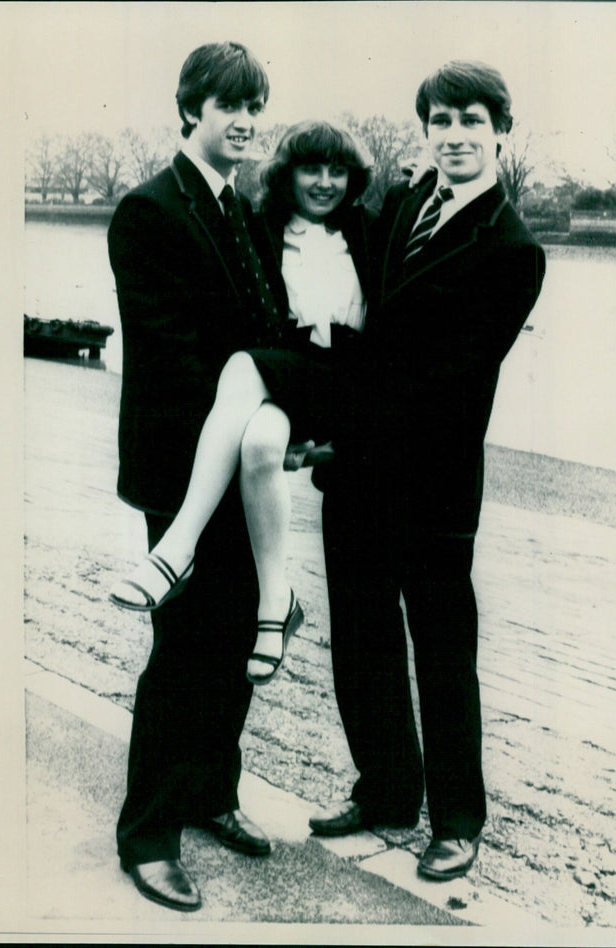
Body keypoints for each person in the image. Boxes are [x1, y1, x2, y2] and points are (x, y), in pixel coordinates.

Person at [310, 61, 547, 882]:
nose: (453, 136)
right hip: (359, 476)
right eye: (439, 121)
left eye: (470, 122)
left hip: (432, 484)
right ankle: (385, 793)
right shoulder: (412, 201)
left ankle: (456, 820)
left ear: (499, 133)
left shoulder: (513, 250)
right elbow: (361, 298)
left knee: (443, 654)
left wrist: (344, 435)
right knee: (363, 643)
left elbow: (447, 382)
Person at [107, 41, 280, 912]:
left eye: (255, 107)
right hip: (181, 471)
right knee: (183, 652)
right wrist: (261, 414)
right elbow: (175, 360)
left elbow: (266, 324)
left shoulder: (238, 208)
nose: (245, 122)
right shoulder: (149, 210)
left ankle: (213, 793)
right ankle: (147, 835)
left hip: (237, 466)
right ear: (191, 111)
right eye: (229, 107)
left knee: (237, 639)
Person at [110, 119, 374, 686]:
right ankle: (277, 603)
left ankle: (177, 547)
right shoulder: (263, 225)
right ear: (288, 174)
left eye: (338, 171)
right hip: (288, 375)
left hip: (339, 383)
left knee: (241, 365)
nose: (325, 182)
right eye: (311, 169)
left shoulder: (371, 231)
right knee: (258, 445)